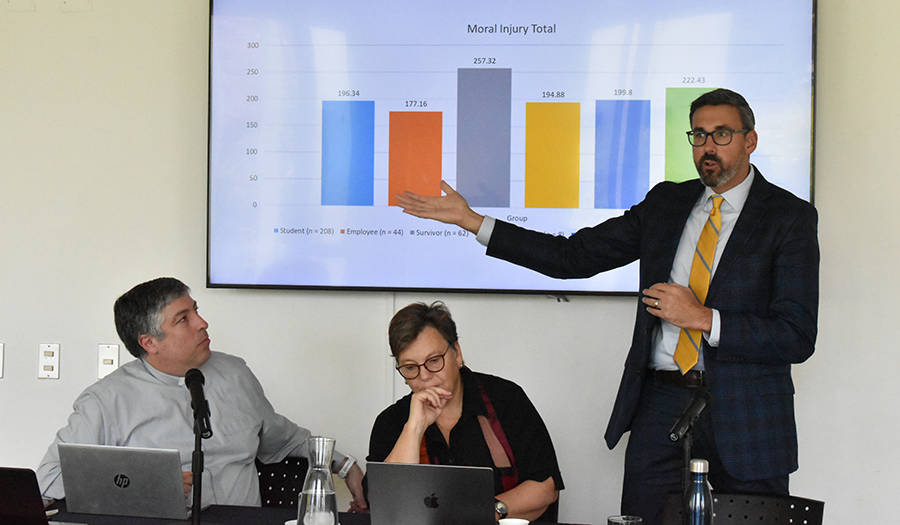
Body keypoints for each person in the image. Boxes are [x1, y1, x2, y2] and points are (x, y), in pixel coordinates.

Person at [395, 89, 819, 525]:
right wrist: (474, 222)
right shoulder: (667, 204)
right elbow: (571, 257)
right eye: (699, 135)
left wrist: (702, 318)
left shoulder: (789, 217)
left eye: (722, 134)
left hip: (750, 412)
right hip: (662, 401)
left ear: (750, 140)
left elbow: (796, 334)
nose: (708, 147)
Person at [37, 277, 367, 511]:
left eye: (196, 310)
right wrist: (139, 482)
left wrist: (345, 465)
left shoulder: (235, 374)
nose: (202, 323)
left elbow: (284, 439)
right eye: (184, 319)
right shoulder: (106, 401)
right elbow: (48, 480)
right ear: (149, 343)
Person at [366, 302, 564, 522]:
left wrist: (485, 512)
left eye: (433, 361)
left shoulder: (506, 399)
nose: (424, 377)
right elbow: (387, 505)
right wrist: (414, 428)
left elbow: (545, 487)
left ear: (457, 354)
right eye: (411, 367)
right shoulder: (391, 421)